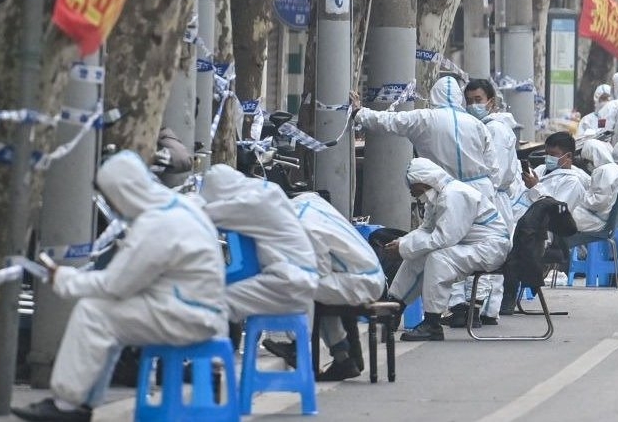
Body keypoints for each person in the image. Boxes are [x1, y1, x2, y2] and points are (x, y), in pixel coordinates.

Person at [12, 151, 227, 422]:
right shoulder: (176, 207)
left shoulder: (157, 223)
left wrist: (65, 279)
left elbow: (116, 285)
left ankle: (67, 405)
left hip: (188, 316)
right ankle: (80, 401)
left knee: (94, 313)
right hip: (194, 309)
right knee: (108, 317)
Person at [263, 192, 387, 380]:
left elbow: (316, 270)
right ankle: (342, 357)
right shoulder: (308, 203)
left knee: (299, 282)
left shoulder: (302, 225)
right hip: (367, 275)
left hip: (361, 281)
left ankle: (298, 345)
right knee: (318, 291)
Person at [386, 158, 511, 341]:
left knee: (438, 258)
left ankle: (432, 323)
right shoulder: (438, 196)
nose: (412, 192)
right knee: (418, 255)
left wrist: (404, 247)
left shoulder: (455, 195)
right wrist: (402, 243)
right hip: (471, 245)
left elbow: (444, 238)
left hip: (490, 248)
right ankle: (394, 307)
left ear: (424, 179)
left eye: (413, 185)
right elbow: (426, 230)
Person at [200, 164, 320, 321]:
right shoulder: (267, 190)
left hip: (287, 281)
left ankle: (219, 345)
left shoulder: (251, 203)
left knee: (213, 303)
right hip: (299, 277)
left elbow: (204, 215)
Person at [447, 78, 522, 326]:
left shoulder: (495, 130)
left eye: (478, 100)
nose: (472, 106)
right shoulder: (478, 128)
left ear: (492, 102)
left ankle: (477, 309)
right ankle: (484, 310)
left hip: (490, 199)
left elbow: (495, 173)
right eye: (468, 101)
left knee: (485, 255)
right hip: (484, 197)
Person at [351, 75, 496, 201]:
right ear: (459, 97)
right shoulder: (478, 125)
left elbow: (389, 121)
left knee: (444, 230)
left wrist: (358, 112)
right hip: (481, 192)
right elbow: (493, 165)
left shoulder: (424, 118)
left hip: (445, 192)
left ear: (434, 95)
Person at [512, 131, 589, 220]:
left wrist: (535, 187)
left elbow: (556, 213)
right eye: (547, 154)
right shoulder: (542, 169)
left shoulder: (573, 183)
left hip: (540, 228)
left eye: (552, 154)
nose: (548, 158)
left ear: (568, 156)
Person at [572, 139, 618, 232]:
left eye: (587, 161)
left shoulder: (603, 171)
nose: (587, 165)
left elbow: (598, 202)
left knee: (562, 214)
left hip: (596, 220)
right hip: (603, 218)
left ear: (594, 156)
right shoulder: (615, 169)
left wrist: (579, 195)